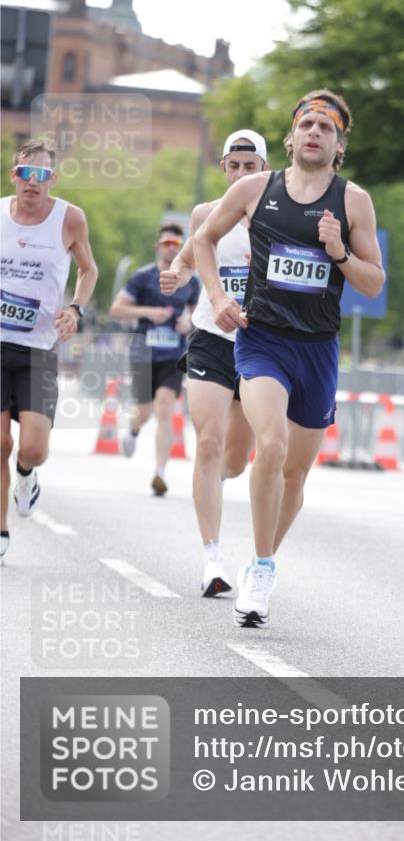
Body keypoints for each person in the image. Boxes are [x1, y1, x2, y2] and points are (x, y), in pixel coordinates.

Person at [193, 90, 385, 626]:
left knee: (295, 476)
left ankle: (262, 560)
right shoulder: (257, 188)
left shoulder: (353, 203)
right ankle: (260, 570)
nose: (315, 132)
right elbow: (204, 239)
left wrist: (340, 252)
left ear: (339, 143)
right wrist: (218, 298)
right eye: (307, 124)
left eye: (326, 127)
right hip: (262, 340)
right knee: (270, 446)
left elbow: (373, 283)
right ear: (291, 136)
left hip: (317, 349)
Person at [160, 131, 265, 597]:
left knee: (236, 461)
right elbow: (185, 260)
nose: (241, 174)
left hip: (260, 344)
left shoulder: (281, 216)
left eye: (250, 165)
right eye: (234, 165)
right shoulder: (206, 214)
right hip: (211, 336)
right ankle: (212, 559)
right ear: (223, 167)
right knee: (207, 442)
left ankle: (215, 483)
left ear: (265, 167)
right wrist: (175, 275)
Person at [0, 140, 98, 559]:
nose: (32, 182)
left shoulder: (69, 218)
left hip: (38, 348)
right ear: (14, 176)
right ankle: (1, 531)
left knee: (33, 448)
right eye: (26, 173)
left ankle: (27, 475)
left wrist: (75, 309)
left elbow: (88, 269)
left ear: (52, 180)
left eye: (42, 175)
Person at [110, 224, 199, 496]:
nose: (172, 248)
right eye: (167, 243)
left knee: (164, 409)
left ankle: (160, 471)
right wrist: (150, 312)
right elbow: (116, 309)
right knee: (145, 410)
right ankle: (134, 430)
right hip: (143, 353)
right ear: (158, 247)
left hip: (173, 355)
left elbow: (199, 316)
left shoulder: (191, 281)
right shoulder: (143, 277)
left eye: (177, 244)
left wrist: (189, 322)